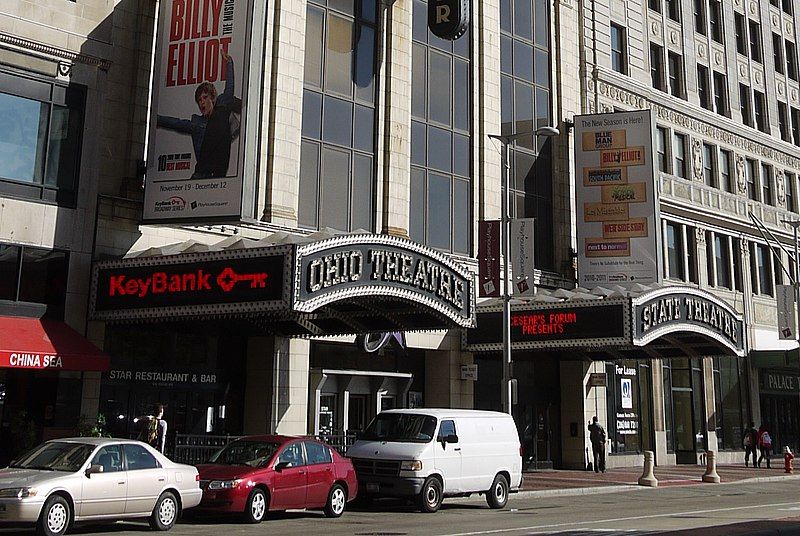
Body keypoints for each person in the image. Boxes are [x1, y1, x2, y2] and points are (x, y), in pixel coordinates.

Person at [157, 50, 243, 179]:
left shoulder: (223, 107)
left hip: (218, 178)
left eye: (204, 97)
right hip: (200, 176)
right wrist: (154, 119)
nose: (202, 103)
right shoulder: (197, 124)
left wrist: (229, 63)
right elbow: (176, 123)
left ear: (213, 97)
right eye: (199, 100)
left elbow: (229, 88)